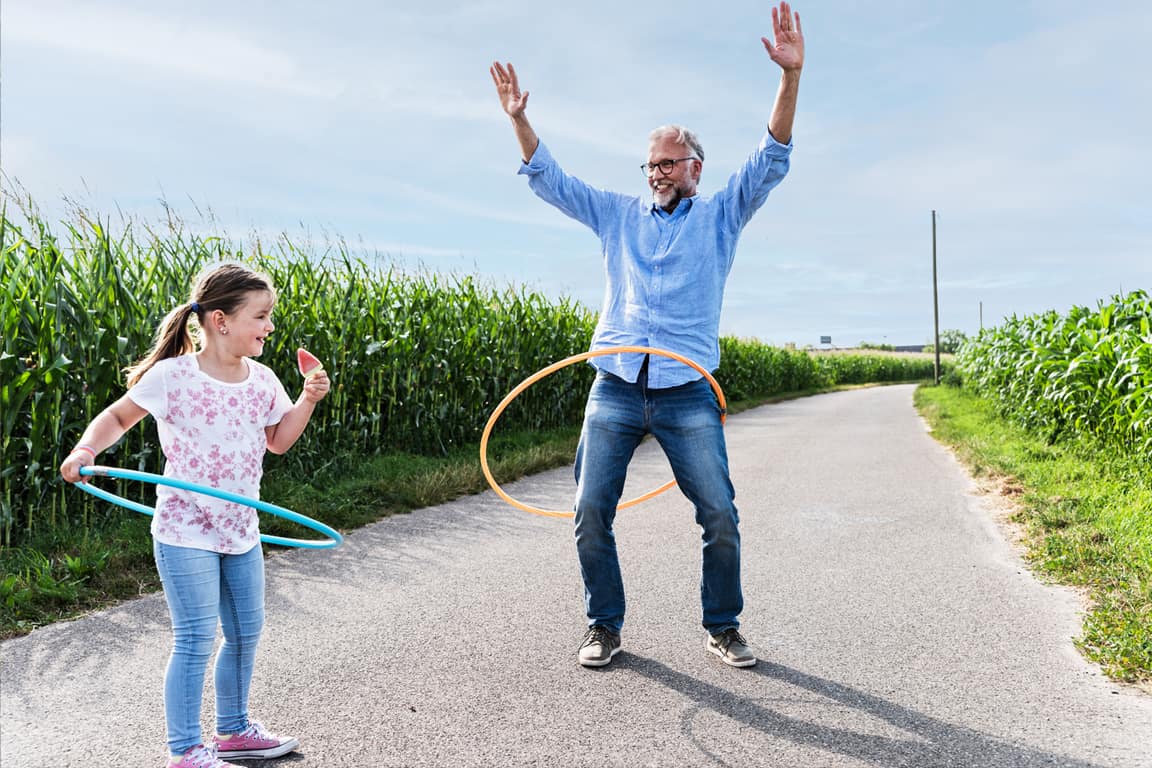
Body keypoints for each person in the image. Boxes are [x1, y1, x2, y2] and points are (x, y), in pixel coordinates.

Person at [490, 2, 804, 668]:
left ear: (695, 167)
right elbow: (550, 180)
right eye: (651, 164)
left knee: (718, 513)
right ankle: (603, 625)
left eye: (669, 163)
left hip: (687, 390)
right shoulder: (615, 215)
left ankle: (723, 625)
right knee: (588, 508)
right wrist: (520, 119)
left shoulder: (723, 214)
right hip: (616, 385)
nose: (658, 172)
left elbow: (772, 158)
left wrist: (789, 78)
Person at [60, 263, 330, 768]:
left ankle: (233, 731)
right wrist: (85, 449)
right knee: (196, 638)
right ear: (222, 321)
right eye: (262, 316)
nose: (270, 327)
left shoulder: (263, 380)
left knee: (247, 632)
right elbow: (118, 416)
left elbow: (278, 442)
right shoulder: (174, 377)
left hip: (240, 528)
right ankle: (185, 750)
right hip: (186, 528)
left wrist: (306, 400)